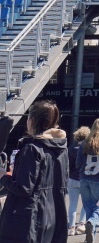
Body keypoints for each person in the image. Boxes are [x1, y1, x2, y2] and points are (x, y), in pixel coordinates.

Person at [0, 100, 69, 243]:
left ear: (31, 121)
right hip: (52, 217)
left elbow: (23, 188)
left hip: (27, 221)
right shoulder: (61, 149)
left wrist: (3, 176)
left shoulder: (32, 148)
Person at [78, 119, 99, 243]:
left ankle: (90, 236)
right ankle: (92, 223)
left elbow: (78, 163)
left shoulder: (84, 143)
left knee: (88, 207)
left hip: (84, 178)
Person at [68, 126, 90, 235]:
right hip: (84, 178)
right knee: (85, 203)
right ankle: (81, 224)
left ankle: (71, 227)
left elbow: (69, 165)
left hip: (72, 178)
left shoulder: (71, 148)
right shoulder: (88, 149)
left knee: (72, 205)